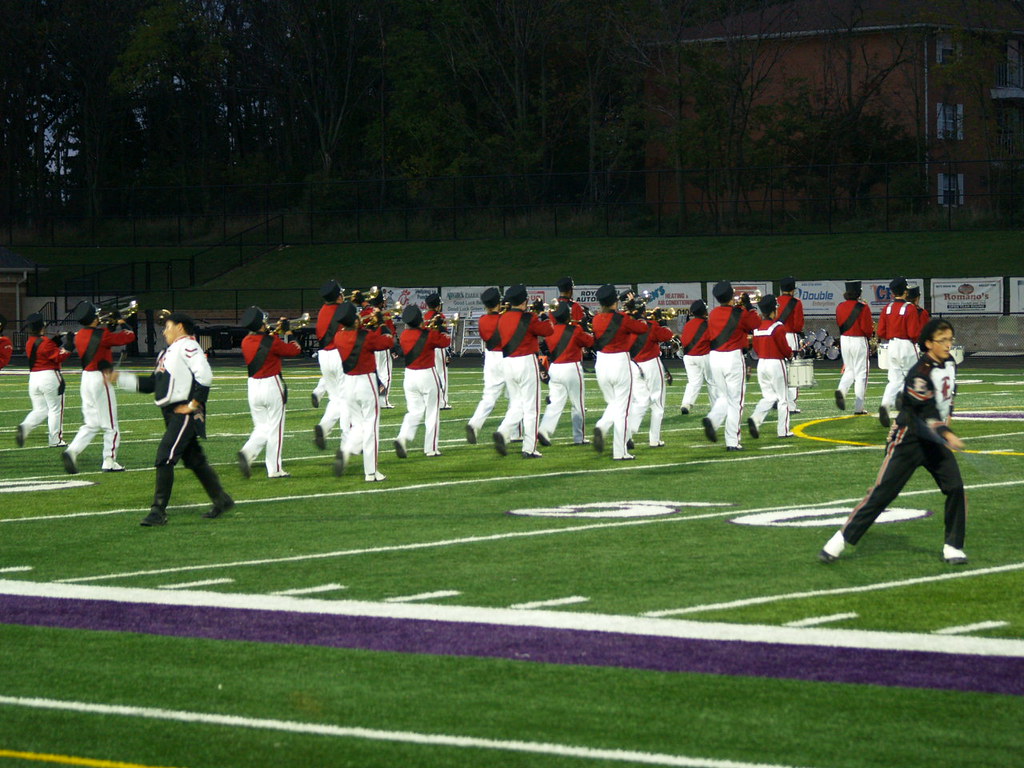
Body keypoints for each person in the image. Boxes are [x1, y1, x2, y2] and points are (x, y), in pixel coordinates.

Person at [819, 318, 968, 565]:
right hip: (909, 439)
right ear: (929, 343)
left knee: (955, 488)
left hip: (934, 441)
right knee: (883, 493)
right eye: (942, 340)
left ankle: (953, 547)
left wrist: (948, 415)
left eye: (950, 339)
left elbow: (949, 392)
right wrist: (945, 432)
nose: (948, 345)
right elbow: (925, 413)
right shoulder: (919, 374)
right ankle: (838, 541)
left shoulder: (951, 362)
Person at [114, 311, 234, 526]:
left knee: (165, 455)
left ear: (180, 327)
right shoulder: (168, 352)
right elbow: (152, 385)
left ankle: (158, 511)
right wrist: (120, 378)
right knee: (194, 459)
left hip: (183, 410)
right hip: (172, 411)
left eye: (168, 326)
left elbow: (205, 375)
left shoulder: (187, 345)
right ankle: (221, 499)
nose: (164, 330)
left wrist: (194, 404)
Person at [62, 302, 136, 473]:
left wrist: (108, 327)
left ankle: (72, 451)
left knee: (91, 423)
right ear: (94, 318)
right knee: (111, 424)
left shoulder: (79, 335)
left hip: (86, 378)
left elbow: (98, 340)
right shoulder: (102, 335)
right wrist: (120, 321)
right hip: (101, 378)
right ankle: (109, 460)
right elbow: (129, 336)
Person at [237, 306, 303, 479]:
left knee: (262, 427)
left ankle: (247, 452)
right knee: (275, 429)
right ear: (260, 323)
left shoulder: (245, 341)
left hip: (253, 386)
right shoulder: (272, 341)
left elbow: (263, 343)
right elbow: (294, 350)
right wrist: (288, 333)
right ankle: (274, 469)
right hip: (271, 385)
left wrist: (274, 332)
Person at [332, 301, 394, 481]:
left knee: (358, 424)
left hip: (348, 383)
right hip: (366, 382)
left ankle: (346, 450)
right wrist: (381, 323)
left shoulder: (338, 337)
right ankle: (371, 472)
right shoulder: (367, 335)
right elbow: (387, 342)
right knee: (371, 427)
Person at [492, 284, 552, 458]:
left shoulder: (502, 318)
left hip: (508, 363)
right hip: (526, 361)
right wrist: (542, 314)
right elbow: (548, 330)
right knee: (531, 407)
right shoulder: (529, 318)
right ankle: (529, 447)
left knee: (517, 403)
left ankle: (503, 432)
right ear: (525, 300)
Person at [591, 284, 648, 460]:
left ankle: (602, 425)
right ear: (615, 301)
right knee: (623, 409)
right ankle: (620, 451)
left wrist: (627, 313)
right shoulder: (622, 318)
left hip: (601, 364)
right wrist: (636, 313)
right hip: (619, 363)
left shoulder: (595, 320)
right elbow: (642, 329)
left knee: (614, 404)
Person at [701, 281, 759, 451]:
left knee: (724, 397)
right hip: (733, 357)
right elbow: (755, 324)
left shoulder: (713, 314)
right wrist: (748, 306)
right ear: (731, 295)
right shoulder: (739, 313)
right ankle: (732, 441)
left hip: (715, 357)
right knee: (735, 401)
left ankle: (713, 419)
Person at [395, 305, 451, 458]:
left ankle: (403, 437)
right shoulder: (430, 334)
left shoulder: (404, 334)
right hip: (427, 374)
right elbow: (446, 342)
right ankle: (431, 448)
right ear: (420, 319)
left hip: (409, 376)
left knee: (414, 411)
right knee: (432, 412)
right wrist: (441, 328)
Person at [538, 301, 594, 446]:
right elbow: (589, 342)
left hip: (555, 368)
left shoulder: (550, 331)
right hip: (572, 367)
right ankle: (579, 437)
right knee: (578, 404)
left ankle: (544, 430)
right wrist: (583, 326)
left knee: (555, 403)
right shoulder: (574, 330)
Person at [16, 314, 71, 448]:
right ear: (42, 327)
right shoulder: (46, 342)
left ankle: (25, 426)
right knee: (55, 409)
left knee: (40, 409)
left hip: (34, 378)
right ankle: (55, 439)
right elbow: (59, 356)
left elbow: (44, 350)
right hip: (49, 376)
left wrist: (56, 341)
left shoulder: (30, 342)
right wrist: (70, 344)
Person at [466, 288, 511, 444]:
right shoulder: (505, 318)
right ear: (498, 302)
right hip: (507, 356)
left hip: (490, 358)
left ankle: (474, 423)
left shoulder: (482, 320)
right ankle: (514, 432)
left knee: (489, 396)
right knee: (515, 396)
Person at [746, 295, 794, 439]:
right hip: (776, 364)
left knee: (768, 396)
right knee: (782, 398)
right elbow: (784, 348)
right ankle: (783, 431)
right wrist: (790, 355)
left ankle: (755, 419)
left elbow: (756, 349)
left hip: (762, 364)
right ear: (773, 310)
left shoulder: (757, 329)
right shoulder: (777, 327)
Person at [627, 307, 675, 448]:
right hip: (651, 364)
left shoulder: (626, 328)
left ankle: (628, 433)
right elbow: (667, 335)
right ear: (643, 312)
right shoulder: (651, 326)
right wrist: (660, 321)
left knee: (640, 401)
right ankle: (654, 439)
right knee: (657, 404)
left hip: (633, 366)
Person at [876, 277, 916, 428]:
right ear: (905, 291)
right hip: (906, 345)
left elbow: (881, 331)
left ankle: (886, 404)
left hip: (892, 346)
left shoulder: (887, 308)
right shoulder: (910, 308)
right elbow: (913, 332)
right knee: (911, 378)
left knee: (894, 379)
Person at [313, 280, 348, 450]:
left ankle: (325, 426)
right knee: (347, 398)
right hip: (339, 354)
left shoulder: (322, 311)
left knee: (336, 398)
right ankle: (349, 439)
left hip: (324, 356)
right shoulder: (342, 310)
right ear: (338, 296)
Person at [834, 280, 874, 414]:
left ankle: (841, 390)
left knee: (849, 369)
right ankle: (859, 407)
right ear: (859, 292)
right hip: (858, 340)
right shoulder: (863, 307)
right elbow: (867, 328)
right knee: (861, 373)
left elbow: (839, 323)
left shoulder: (840, 306)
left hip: (845, 339)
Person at [678, 300, 713, 415]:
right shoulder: (707, 324)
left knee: (693, 382)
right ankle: (716, 405)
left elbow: (684, 340)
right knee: (712, 381)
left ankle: (686, 404)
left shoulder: (688, 324)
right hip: (704, 355)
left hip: (688, 357)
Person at [776, 277, 804, 413]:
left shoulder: (776, 301)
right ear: (793, 289)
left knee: (779, 371)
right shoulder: (796, 303)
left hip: (776, 336)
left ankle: (780, 400)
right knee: (794, 373)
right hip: (790, 337)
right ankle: (791, 405)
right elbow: (798, 325)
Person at [423, 293, 451, 409]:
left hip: (427, 347)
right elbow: (445, 334)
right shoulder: (440, 316)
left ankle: (428, 401)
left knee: (429, 375)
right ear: (438, 305)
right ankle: (442, 402)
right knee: (441, 374)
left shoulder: (424, 316)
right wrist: (449, 352)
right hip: (439, 348)